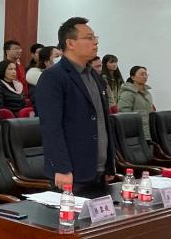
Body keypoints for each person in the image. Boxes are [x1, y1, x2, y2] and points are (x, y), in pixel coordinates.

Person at [37, 17, 116, 197]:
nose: (95, 42)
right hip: (72, 172)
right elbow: (51, 127)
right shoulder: (53, 77)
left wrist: (109, 163)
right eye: (89, 37)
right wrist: (61, 167)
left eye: (95, 37)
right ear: (70, 43)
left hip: (98, 169)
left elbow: (103, 121)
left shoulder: (94, 76)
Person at [117, 65, 155, 139]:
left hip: (149, 132)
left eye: (146, 74)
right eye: (142, 74)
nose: (145, 77)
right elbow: (124, 114)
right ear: (133, 77)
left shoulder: (147, 93)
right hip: (136, 134)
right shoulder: (127, 93)